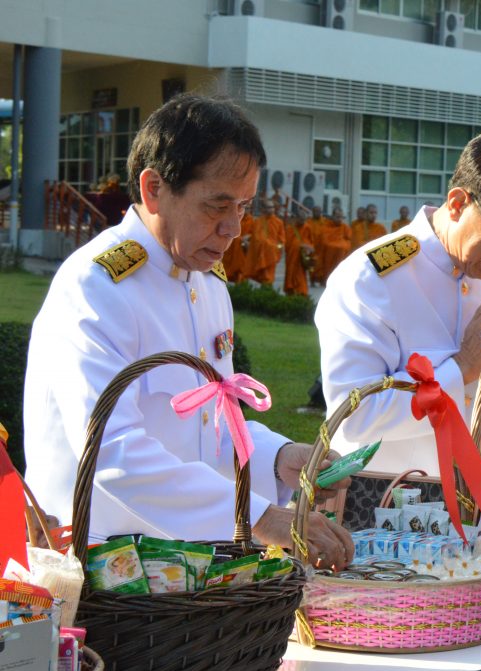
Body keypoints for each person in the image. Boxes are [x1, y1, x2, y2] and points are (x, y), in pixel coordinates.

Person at [23, 94, 353, 570]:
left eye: (242, 207)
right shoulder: (97, 287)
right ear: (154, 188)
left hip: (183, 567)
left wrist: (279, 458)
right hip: (100, 567)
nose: (233, 229)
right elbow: (113, 456)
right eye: (217, 206)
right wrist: (259, 517)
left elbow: (209, 432)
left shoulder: (205, 283)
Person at [315, 131, 481, 475]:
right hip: (374, 500)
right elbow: (354, 416)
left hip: (461, 500)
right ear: (459, 203)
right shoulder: (373, 277)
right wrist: (462, 368)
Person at [243, 195, 286, 285]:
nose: (271, 209)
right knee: (261, 276)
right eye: (269, 207)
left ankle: (267, 289)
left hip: (271, 254)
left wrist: (277, 247)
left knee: (268, 277)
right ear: (263, 209)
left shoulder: (279, 222)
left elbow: (282, 239)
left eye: (272, 207)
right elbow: (254, 235)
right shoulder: (258, 221)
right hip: (259, 253)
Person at [282, 206, 314, 297]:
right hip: (291, 256)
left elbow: (312, 242)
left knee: (301, 276)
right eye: (301, 219)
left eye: (304, 219)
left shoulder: (308, 228)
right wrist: (294, 247)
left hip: (301, 257)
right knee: (290, 273)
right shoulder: (289, 228)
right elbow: (286, 243)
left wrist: (308, 248)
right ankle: (290, 290)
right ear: (296, 218)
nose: (303, 221)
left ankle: (302, 292)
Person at [304, 206, 334, 287]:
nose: (317, 213)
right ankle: (312, 281)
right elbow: (305, 235)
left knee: (323, 265)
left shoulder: (325, 222)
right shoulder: (308, 222)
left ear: (321, 212)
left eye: (319, 211)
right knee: (312, 265)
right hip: (312, 247)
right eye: (315, 211)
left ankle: (322, 281)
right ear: (312, 212)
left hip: (322, 248)